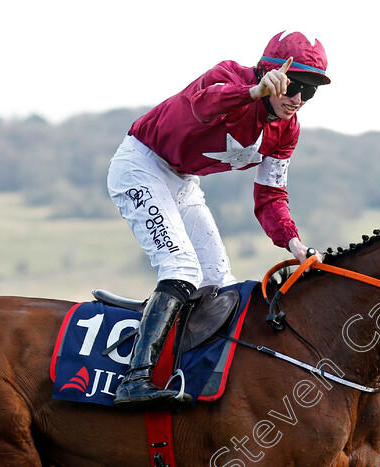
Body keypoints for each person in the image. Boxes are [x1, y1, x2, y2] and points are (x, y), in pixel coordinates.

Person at [108, 31, 331, 409]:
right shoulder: (229, 75)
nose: (297, 99)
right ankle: (134, 379)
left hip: (182, 182)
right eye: (294, 85)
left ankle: (191, 373)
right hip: (141, 165)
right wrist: (252, 92)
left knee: (220, 285)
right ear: (270, 72)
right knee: (181, 268)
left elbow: (270, 195)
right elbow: (196, 106)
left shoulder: (287, 131)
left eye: (309, 92)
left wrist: (295, 245)